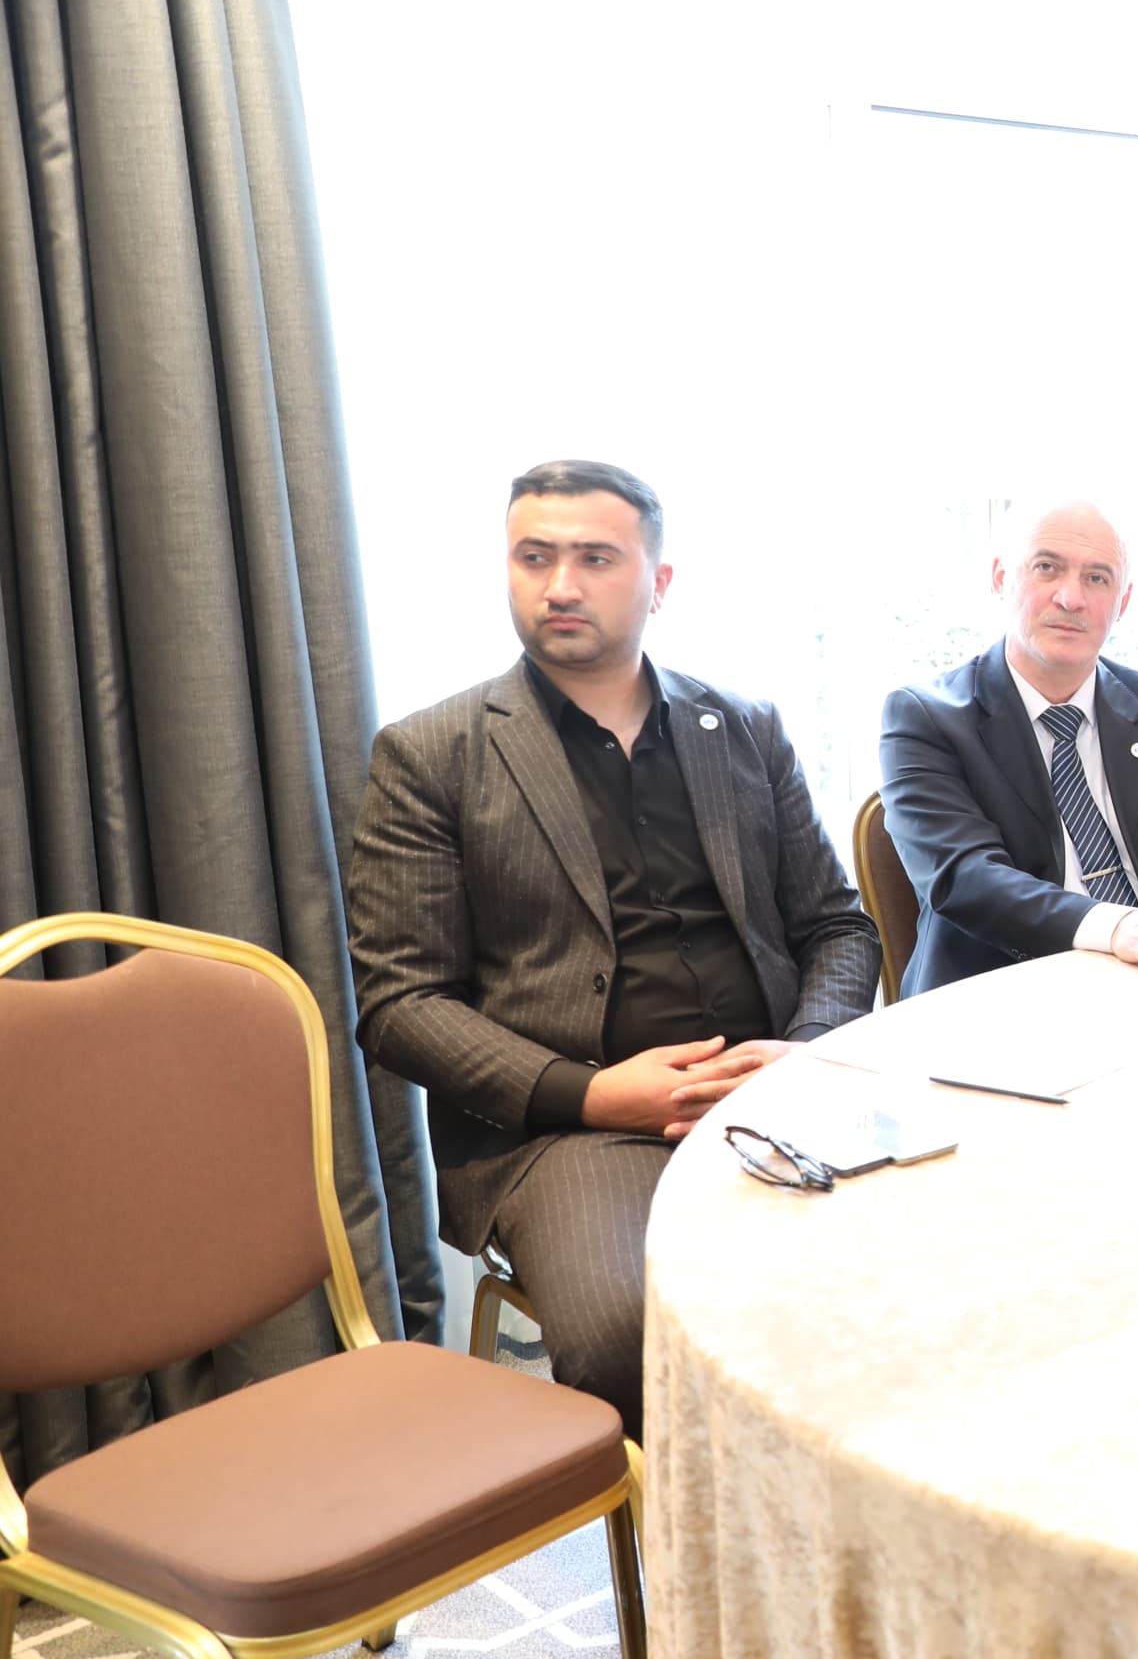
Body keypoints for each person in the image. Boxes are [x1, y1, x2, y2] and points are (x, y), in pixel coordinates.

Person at [348, 463, 879, 1439]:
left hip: (775, 1088)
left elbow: (836, 926)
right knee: (632, 1326)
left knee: (937, 1264)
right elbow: (400, 1003)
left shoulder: (743, 728)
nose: (559, 583)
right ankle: (698, 1572)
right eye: (534, 555)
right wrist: (593, 1092)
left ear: (658, 581)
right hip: (573, 1127)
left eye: (594, 557)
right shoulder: (432, 753)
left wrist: (806, 1049)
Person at [880, 495, 1138, 993]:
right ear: (1002, 578)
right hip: (1002, 998)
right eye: (1047, 568)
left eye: (1097, 578)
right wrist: (1115, 926)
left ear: (1123, 603)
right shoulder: (926, 717)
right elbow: (966, 877)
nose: (1071, 598)